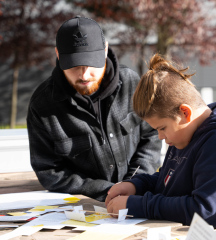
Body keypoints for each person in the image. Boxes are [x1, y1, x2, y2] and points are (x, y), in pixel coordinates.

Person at [105, 53, 216, 239]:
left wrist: (137, 205)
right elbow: (169, 182)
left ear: (185, 112)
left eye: (162, 128)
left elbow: (205, 211)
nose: (160, 137)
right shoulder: (185, 133)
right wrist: (137, 186)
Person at [26, 16, 162, 202]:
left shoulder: (132, 83)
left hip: (140, 195)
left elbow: (151, 136)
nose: (84, 74)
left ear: (105, 50)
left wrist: (134, 183)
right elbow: (49, 171)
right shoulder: (42, 105)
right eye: (74, 65)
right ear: (58, 54)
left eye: (91, 63)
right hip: (84, 206)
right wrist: (107, 191)